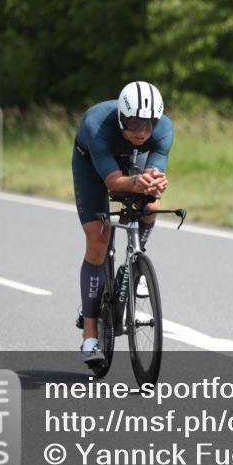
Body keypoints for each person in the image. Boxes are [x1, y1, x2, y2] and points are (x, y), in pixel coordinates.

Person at [72, 81, 173, 366]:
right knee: (98, 238)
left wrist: (154, 180)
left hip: (130, 158)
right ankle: (90, 335)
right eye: (133, 123)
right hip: (92, 163)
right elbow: (114, 182)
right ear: (121, 118)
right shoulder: (97, 125)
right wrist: (136, 182)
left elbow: (153, 171)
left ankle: (136, 261)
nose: (141, 131)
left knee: (151, 204)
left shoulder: (163, 129)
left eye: (148, 124)